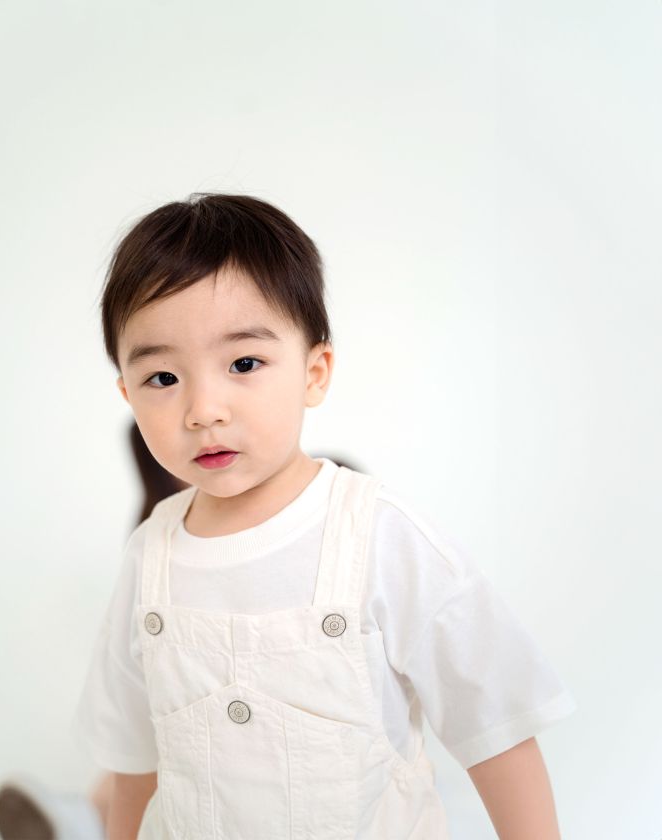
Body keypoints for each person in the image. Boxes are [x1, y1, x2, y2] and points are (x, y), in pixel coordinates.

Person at [75, 193, 578, 840]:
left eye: (244, 364)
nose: (203, 410)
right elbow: (134, 765)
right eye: (163, 379)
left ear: (315, 373)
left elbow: (496, 730)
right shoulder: (150, 557)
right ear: (127, 393)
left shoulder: (382, 537)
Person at [0, 422, 358, 840]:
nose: (205, 428)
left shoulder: (340, 508)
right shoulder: (154, 542)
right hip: (191, 714)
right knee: (155, 729)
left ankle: (82, 819)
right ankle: (83, 818)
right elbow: (133, 744)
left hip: (306, 721)